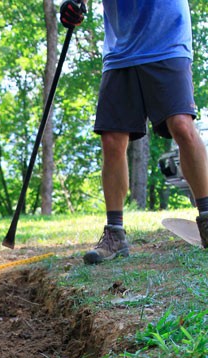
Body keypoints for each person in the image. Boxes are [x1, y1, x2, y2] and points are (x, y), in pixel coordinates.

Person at [59, 0, 208, 264]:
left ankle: (207, 218)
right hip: (121, 50)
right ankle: (115, 235)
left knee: (182, 125)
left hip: (168, 39)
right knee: (111, 138)